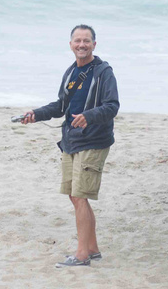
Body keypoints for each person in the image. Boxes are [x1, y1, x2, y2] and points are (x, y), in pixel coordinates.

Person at [19, 24, 119, 267]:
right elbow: (60, 106)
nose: (82, 45)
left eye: (86, 41)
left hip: (94, 140)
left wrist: (89, 116)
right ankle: (92, 249)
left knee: (79, 195)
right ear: (71, 44)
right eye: (77, 41)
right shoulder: (71, 72)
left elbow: (112, 106)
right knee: (75, 197)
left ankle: (82, 255)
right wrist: (36, 114)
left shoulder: (104, 72)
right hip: (71, 141)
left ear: (95, 44)